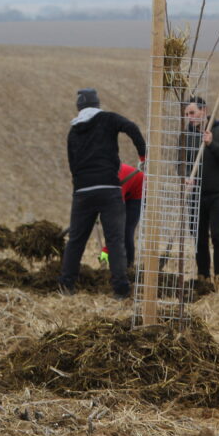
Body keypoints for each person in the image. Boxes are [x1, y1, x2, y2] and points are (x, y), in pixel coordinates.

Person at [59, 88, 147, 299]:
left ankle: (66, 286)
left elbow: (72, 163)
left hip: (82, 192)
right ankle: (121, 290)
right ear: (97, 104)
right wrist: (144, 155)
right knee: (115, 240)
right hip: (109, 189)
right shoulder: (108, 119)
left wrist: (79, 188)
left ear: (78, 107)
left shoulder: (73, 131)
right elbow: (132, 127)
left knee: (76, 241)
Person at [183, 96, 219, 284]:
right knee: (198, 237)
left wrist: (211, 144)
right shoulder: (186, 136)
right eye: (187, 114)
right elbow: (180, 163)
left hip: (218, 194)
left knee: (218, 235)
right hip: (196, 195)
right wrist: (185, 177)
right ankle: (203, 276)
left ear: (204, 111)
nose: (189, 117)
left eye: (192, 112)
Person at [99, 162, 146, 270]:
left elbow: (116, 218)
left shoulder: (116, 180)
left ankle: (129, 267)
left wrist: (106, 249)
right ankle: (114, 267)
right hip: (125, 190)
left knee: (126, 230)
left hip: (138, 192)